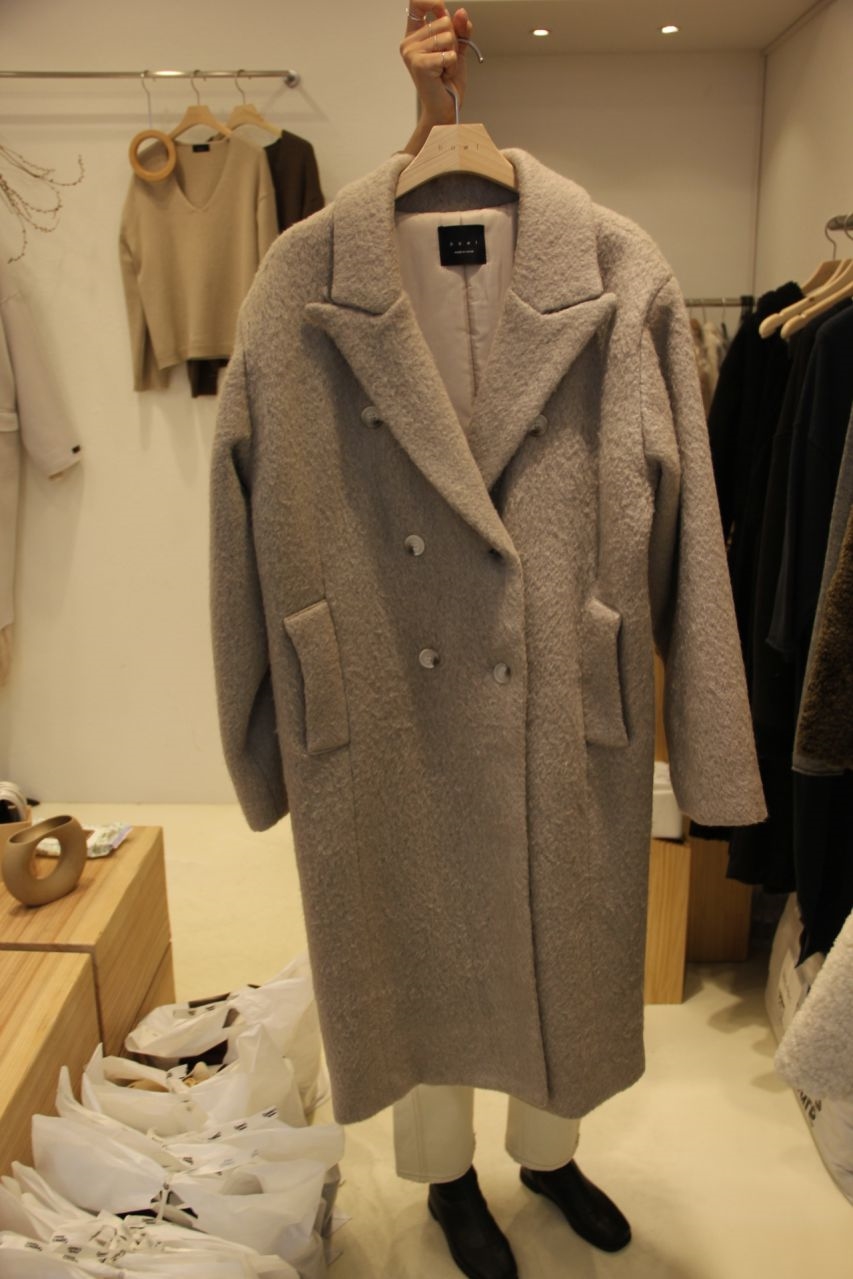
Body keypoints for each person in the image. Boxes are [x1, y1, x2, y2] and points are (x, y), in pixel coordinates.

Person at [391, 7, 632, 1279]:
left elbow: (680, 503)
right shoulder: (331, 268)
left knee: (563, 934)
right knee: (426, 935)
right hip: (400, 655)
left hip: (559, 661)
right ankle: (446, 1179)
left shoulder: (615, 266)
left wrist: (710, 742)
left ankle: (546, 1150)